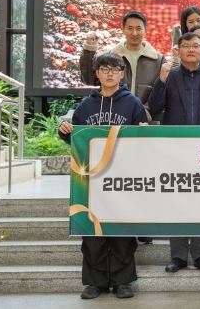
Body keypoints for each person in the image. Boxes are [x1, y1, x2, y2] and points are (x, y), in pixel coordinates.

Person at [58, 53, 148, 299]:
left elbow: (143, 142)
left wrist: (144, 132)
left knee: (122, 231)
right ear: (97, 73)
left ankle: (123, 282)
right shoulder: (85, 106)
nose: (110, 73)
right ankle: (95, 282)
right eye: (105, 69)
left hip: (123, 178)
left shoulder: (133, 104)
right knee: (93, 232)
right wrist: (65, 131)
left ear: (122, 74)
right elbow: (77, 139)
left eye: (115, 69)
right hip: (92, 179)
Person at [147, 32, 200, 273]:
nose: (192, 50)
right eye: (186, 46)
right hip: (176, 150)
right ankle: (178, 256)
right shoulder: (170, 76)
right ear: (179, 50)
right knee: (177, 201)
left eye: (196, 46)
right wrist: (161, 81)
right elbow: (154, 108)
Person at [80, 11, 165, 111]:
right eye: (130, 28)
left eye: (138, 28)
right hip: (114, 116)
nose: (134, 33)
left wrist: (144, 114)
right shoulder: (108, 57)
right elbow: (89, 79)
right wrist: (89, 50)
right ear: (123, 29)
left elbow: (162, 93)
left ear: (145, 30)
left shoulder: (158, 60)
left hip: (146, 118)